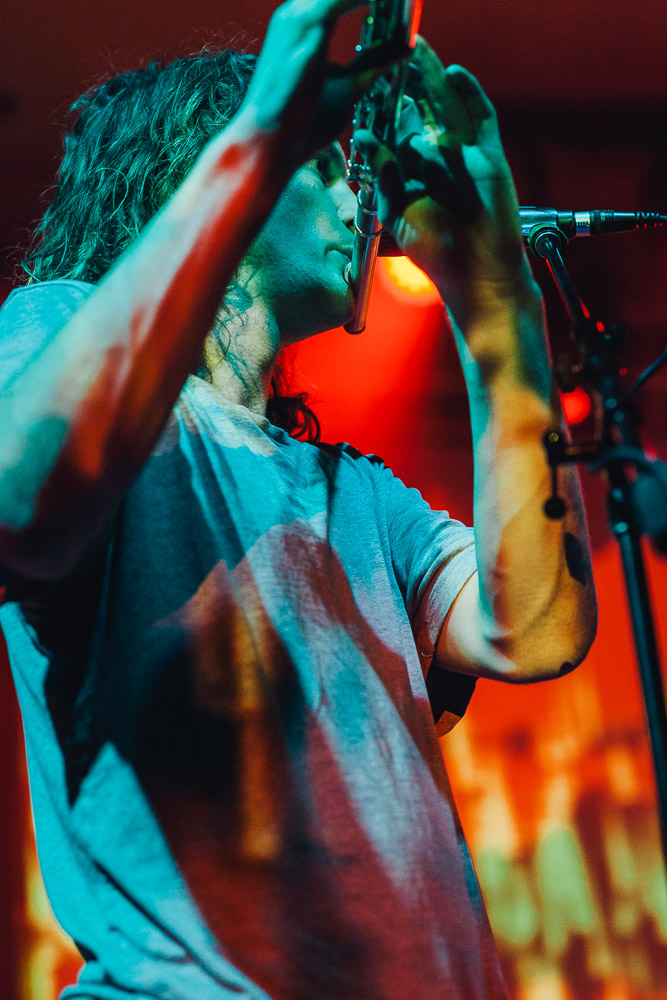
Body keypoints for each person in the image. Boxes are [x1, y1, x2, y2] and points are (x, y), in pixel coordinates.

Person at [0, 0, 597, 997]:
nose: (352, 194)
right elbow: (23, 501)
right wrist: (266, 132)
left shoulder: (354, 490)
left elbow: (532, 633)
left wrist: (500, 310)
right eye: (322, 164)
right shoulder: (54, 328)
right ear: (202, 172)